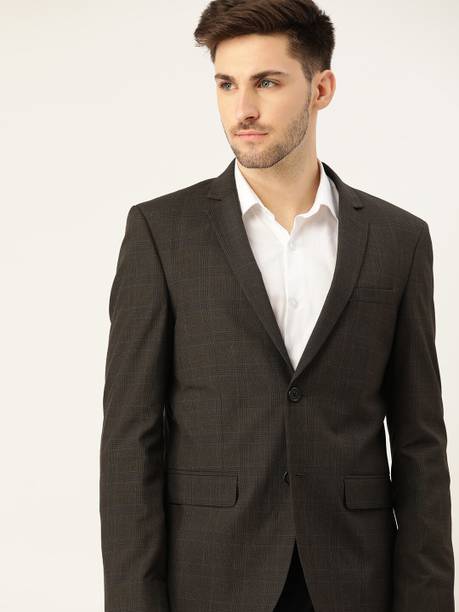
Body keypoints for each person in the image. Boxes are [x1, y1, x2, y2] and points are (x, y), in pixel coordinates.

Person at [99, 1, 455, 611]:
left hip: (354, 578)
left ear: (321, 89)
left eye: (267, 82)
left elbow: (421, 443)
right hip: (211, 578)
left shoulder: (398, 240)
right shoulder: (162, 232)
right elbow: (130, 442)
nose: (243, 108)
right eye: (226, 84)